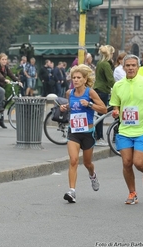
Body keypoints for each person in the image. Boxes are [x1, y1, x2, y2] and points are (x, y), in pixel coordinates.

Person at [109, 54, 143, 204]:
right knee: (126, 163)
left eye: (133, 65)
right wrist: (116, 111)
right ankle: (132, 193)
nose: (130, 68)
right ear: (123, 67)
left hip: (142, 129)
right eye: (128, 65)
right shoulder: (118, 85)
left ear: (138, 67)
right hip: (124, 130)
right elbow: (115, 103)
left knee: (138, 162)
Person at [59, 64, 107, 203]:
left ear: (85, 79)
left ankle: (92, 175)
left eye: (79, 77)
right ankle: (72, 191)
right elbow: (71, 105)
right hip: (74, 131)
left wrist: (90, 105)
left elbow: (103, 109)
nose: (76, 80)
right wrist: (64, 107)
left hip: (88, 132)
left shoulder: (90, 92)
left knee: (87, 163)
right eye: (74, 77)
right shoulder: (70, 93)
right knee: (73, 160)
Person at [0, 52, 22, 129]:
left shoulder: (6, 68)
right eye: (3, 59)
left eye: (5, 59)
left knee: (3, 102)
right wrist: (5, 80)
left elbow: (11, 75)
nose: (4, 61)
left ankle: (0, 122)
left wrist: (18, 81)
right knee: (2, 91)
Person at [93, 45, 115, 146]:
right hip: (103, 90)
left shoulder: (100, 63)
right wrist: (118, 89)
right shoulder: (106, 64)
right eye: (112, 53)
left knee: (98, 115)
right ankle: (99, 137)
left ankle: (97, 136)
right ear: (110, 54)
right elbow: (110, 80)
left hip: (97, 89)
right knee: (101, 115)